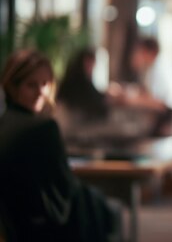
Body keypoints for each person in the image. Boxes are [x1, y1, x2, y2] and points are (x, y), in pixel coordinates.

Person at [0, 50, 118, 241]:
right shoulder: (44, 127)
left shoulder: (5, 123)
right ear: (13, 87)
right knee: (108, 211)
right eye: (31, 85)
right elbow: (65, 188)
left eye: (45, 84)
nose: (41, 92)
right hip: (46, 229)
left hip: (16, 227)